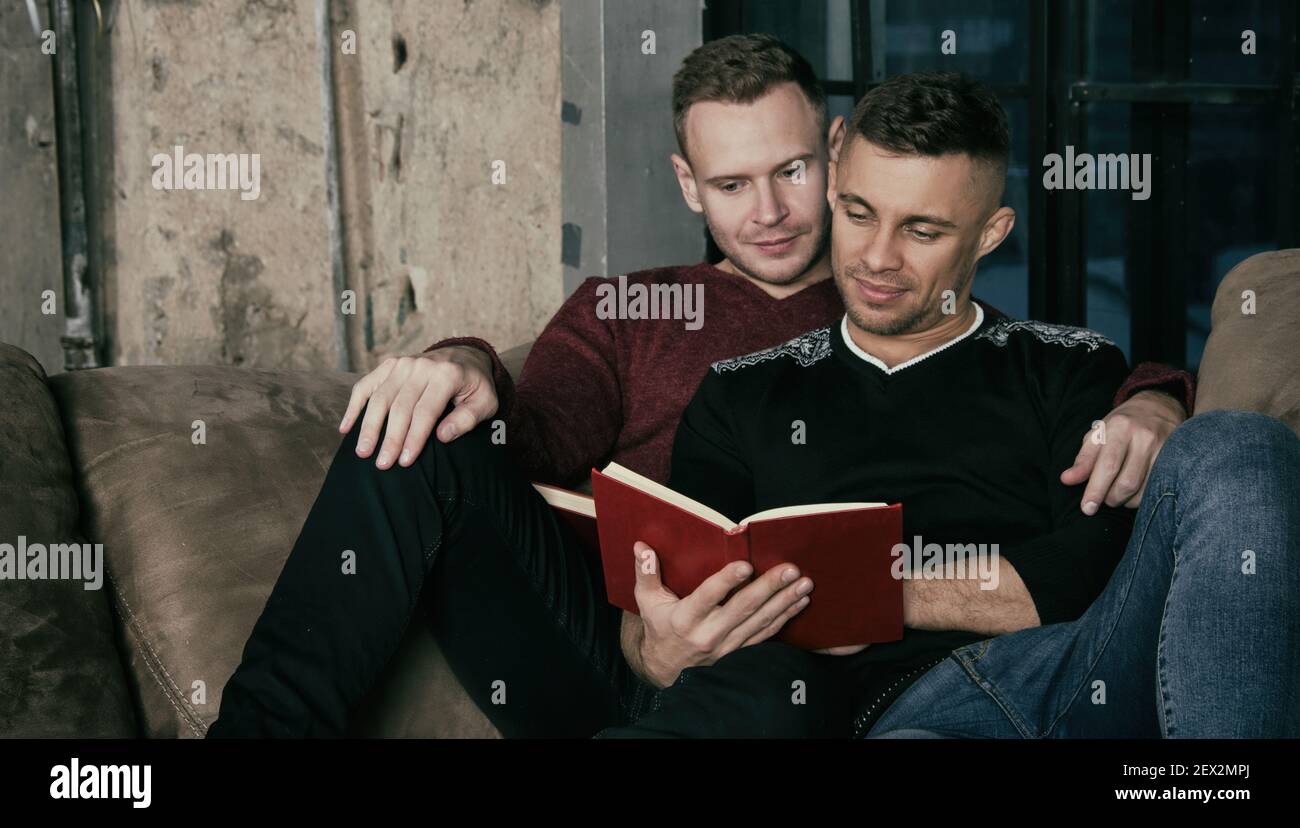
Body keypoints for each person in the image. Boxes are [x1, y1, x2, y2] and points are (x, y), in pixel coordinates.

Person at [208, 41, 1193, 738]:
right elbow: (530, 450)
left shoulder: (902, 299)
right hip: (604, 651)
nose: (766, 213)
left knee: (784, 663)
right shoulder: (628, 309)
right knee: (419, 435)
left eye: (793, 171)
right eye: (730, 185)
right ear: (687, 183)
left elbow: (1037, 377)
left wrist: (1154, 396)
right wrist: (460, 362)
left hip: (788, 674)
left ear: (839, 149)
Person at [594, 71, 1299, 738]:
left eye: (921, 231)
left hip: (1049, 675)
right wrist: (660, 645)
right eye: (858, 213)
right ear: (834, 188)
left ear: (990, 234)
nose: (876, 257)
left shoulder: (1068, 364)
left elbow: (1086, 569)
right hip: (852, 708)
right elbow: (678, 580)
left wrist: (872, 596)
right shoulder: (740, 391)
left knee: (1240, 443)